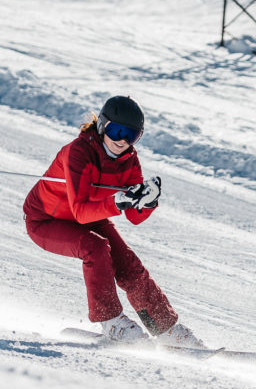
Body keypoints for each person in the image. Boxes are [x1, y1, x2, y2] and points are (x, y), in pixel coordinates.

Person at [23, 95, 204, 347]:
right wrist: (118, 202)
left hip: (92, 218)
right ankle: (111, 323)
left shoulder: (129, 160)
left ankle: (166, 329)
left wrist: (147, 202)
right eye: (116, 131)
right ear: (102, 126)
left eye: (131, 135)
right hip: (46, 220)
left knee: (128, 264)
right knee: (95, 247)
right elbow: (80, 211)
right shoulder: (79, 152)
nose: (122, 140)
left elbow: (134, 217)